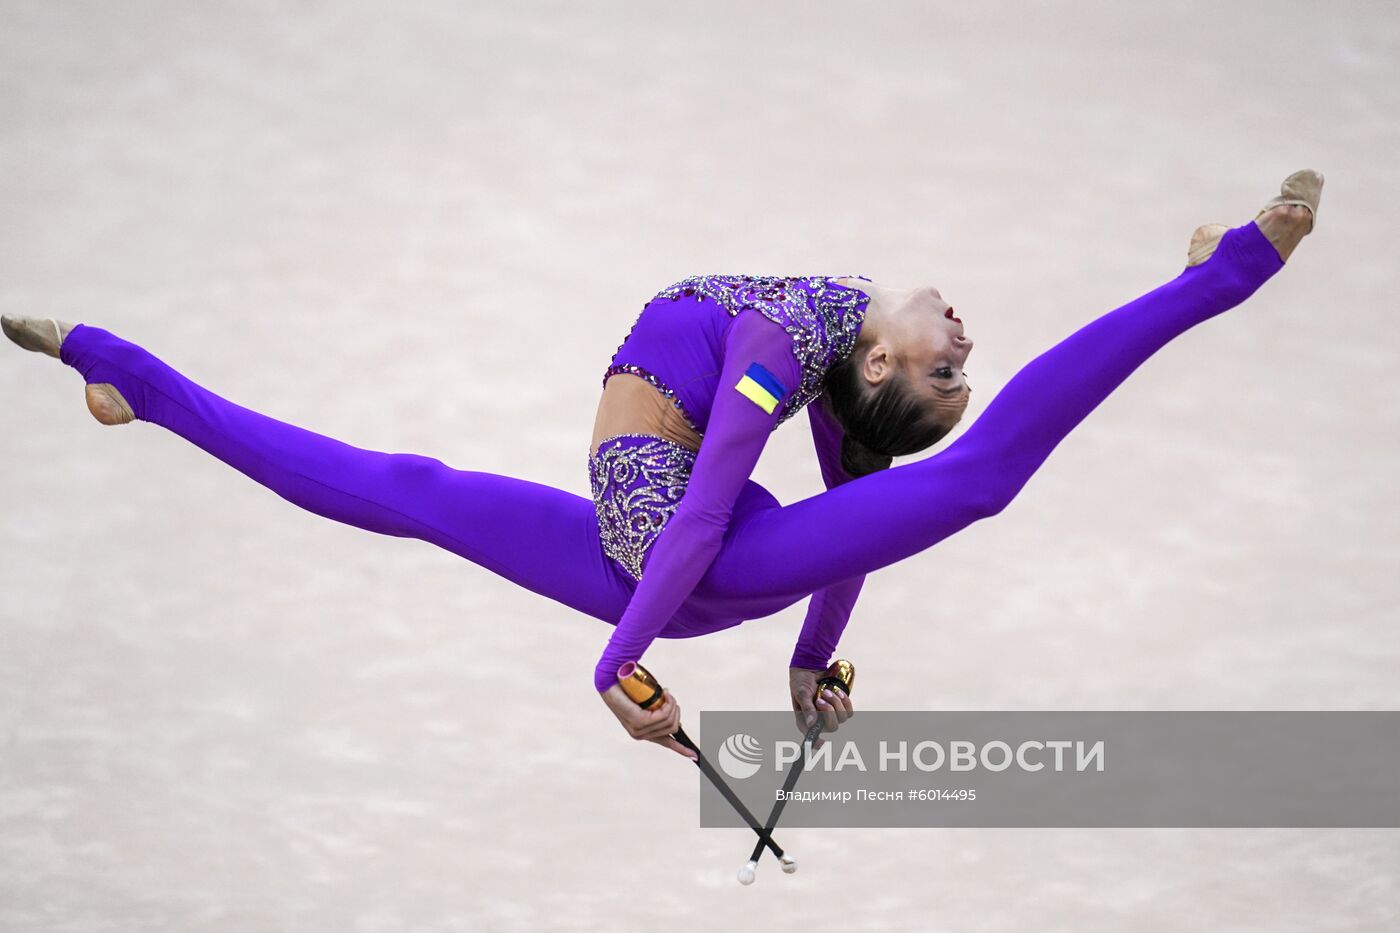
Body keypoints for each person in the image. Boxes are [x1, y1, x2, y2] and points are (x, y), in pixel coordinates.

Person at [2, 170, 1323, 760]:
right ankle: (135, 378)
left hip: (677, 553)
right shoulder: (811, 344)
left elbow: (757, 518)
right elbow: (808, 513)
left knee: (977, 479)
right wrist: (753, 653)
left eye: (947, 365)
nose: (961, 335)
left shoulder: (789, 344)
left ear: (875, 372)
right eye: (952, 359)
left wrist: (633, 658)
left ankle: (1219, 276)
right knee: (394, 487)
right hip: (668, 550)